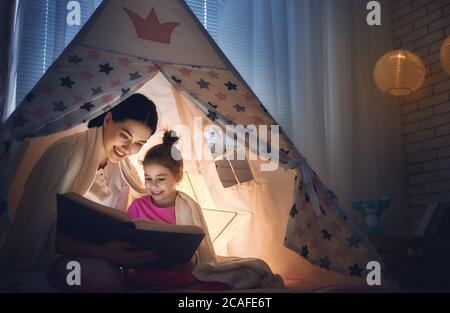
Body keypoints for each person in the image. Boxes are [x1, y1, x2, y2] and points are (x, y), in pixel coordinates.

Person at [0, 94, 159, 292]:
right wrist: (101, 252)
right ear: (108, 120)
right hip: (57, 259)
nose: (128, 149)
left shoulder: (122, 172)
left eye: (139, 143)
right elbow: (41, 233)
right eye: (125, 136)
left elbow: (117, 225)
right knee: (99, 279)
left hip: (101, 257)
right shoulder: (66, 155)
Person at [124, 130, 285, 291]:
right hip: (145, 268)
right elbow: (127, 240)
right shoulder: (137, 206)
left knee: (251, 271)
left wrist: (192, 263)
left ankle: (195, 283)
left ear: (178, 176)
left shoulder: (186, 206)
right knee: (141, 277)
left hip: (178, 270)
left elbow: (200, 250)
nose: (153, 185)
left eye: (161, 179)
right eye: (148, 178)